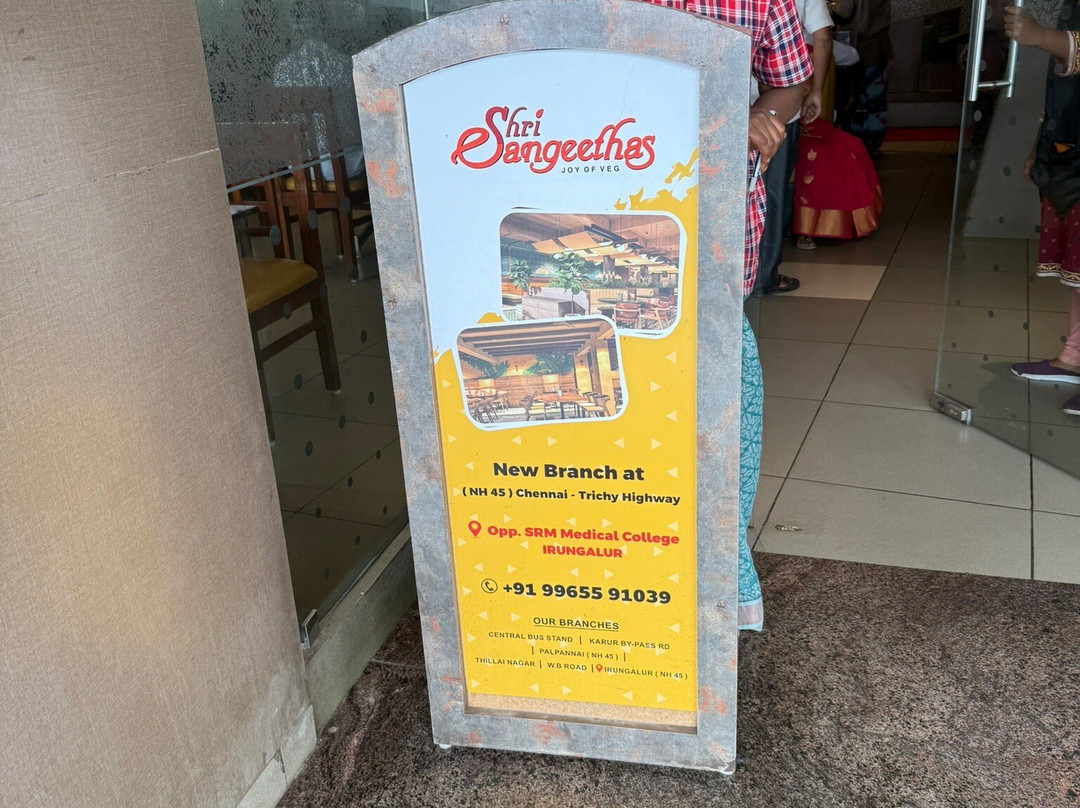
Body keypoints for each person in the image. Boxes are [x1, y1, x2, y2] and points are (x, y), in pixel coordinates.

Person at [640, 0, 813, 629]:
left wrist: (761, 116)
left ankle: (720, 574)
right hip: (601, 196)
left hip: (713, 210)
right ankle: (616, 562)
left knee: (718, 390)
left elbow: (791, 79)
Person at [1004, 3, 1080, 417]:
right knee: (1078, 273)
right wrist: (1042, 144)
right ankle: (1074, 356)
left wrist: (1038, 36)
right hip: (1069, 154)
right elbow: (1062, 89)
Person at [754, 0, 834, 295]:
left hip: (720, 103)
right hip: (777, 109)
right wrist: (816, 91)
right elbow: (822, 37)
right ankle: (763, 276)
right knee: (770, 192)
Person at [791, 116, 883, 248]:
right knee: (817, 153)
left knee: (849, 146)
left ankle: (852, 221)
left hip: (805, 119)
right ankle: (806, 229)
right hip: (782, 122)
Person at [834, 0, 892, 158]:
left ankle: (857, 146)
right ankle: (872, 145)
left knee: (855, 99)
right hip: (878, 44)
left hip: (857, 44)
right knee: (874, 99)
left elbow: (844, 11)